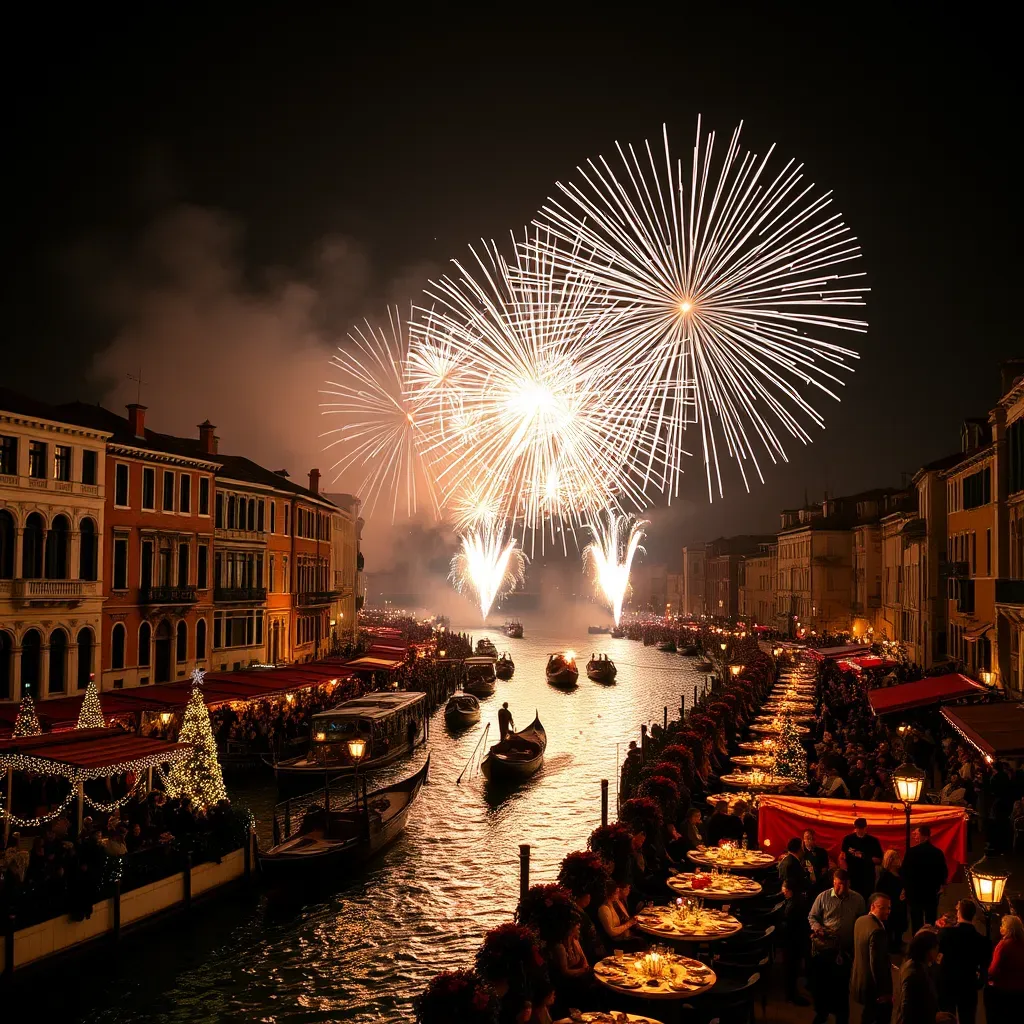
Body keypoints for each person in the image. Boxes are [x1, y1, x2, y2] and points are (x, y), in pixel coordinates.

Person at [808, 868, 866, 1024]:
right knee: (822, 985)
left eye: (846, 885)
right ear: (834, 882)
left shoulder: (858, 899)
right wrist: (817, 928)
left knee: (841, 987)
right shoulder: (823, 897)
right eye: (840, 884)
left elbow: (861, 922)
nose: (843, 889)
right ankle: (822, 1013)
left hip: (845, 951)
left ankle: (842, 1017)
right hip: (825, 948)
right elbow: (812, 916)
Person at [937, 899, 990, 1024]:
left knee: (947, 1018)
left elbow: (937, 954)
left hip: (947, 983)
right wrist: (980, 982)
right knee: (968, 1018)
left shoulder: (946, 933)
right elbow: (984, 964)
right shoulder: (981, 940)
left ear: (959, 913)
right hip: (968, 984)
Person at [851, 892, 894, 1024]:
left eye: (889, 908)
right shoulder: (877, 931)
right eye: (883, 908)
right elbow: (876, 964)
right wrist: (884, 992)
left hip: (859, 979)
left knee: (867, 1015)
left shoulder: (860, 921)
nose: (887, 911)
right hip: (873, 987)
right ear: (872, 907)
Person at [896, 929, 953, 1024]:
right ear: (927, 950)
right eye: (935, 948)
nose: (937, 952)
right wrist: (933, 1017)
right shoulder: (913, 974)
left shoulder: (920, 966)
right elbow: (908, 1011)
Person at [901, 826, 948, 932]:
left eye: (917, 834)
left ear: (924, 836)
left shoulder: (911, 852)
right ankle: (930, 938)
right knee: (931, 919)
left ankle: (917, 939)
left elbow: (905, 872)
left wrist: (905, 888)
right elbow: (943, 871)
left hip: (915, 893)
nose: (915, 837)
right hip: (931, 892)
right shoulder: (937, 853)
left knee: (916, 920)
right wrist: (942, 886)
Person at [985, 913, 1024, 1024]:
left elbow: (993, 970)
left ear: (1008, 929)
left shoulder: (1003, 945)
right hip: (1020, 991)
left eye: (1003, 925)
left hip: (1003, 990)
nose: (1000, 927)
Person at [781, 877, 811, 1006]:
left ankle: (791, 995)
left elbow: (788, 924)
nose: (783, 893)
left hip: (793, 941)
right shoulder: (798, 900)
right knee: (792, 969)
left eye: (785, 891)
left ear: (790, 891)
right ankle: (791, 995)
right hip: (797, 940)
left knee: (791, 969)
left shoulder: (793, 905)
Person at [842, 817, 883, 904]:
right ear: (855, 828)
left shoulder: (873, 841)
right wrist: (844, 871)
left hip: (867, 877)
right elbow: (842, 856)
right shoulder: (848, 839)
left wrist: (865, 857)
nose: (859, 830)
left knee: (866, 900)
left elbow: (879, 860)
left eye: (861, 828)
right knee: (851, 900)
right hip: (852, 875)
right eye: (857, 828)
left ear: (865, 828)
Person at [876, 849, 908, 953]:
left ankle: (898, 943)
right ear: (890, 860)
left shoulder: (901, 873)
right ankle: (891, 947)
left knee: (901, 925)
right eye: (895, 858)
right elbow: (881, 892)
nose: (898, 860)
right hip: (891, 905)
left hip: (901, 904)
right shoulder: (885, 876)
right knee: (891, 926)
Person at [596, 878, 639, 947]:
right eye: (617, 892)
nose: (618, 894)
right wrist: (629, 923)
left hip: (624, 936)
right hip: (615, 943)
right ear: (612, 894)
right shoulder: (604, 909)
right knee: (639, 942)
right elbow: (612, 932)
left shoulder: (614, 904)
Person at [802, 828, 831, 895]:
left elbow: (825, 868)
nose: (809, 841)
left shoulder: (822, 852)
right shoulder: (801, 853)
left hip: (819, 882)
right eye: (807, 838)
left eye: (811, 838)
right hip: (805, 883)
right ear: (804, 839)